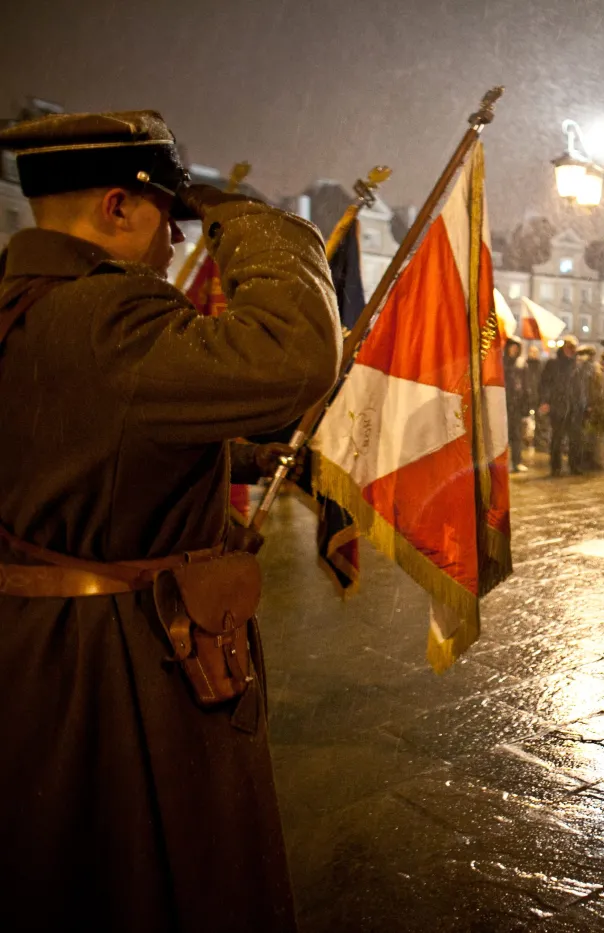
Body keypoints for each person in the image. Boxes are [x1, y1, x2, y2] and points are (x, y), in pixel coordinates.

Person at [0, 110, 340, 931]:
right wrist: (245, 217)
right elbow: (297, 353)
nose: (176, 243)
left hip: (34, 649)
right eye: (171, 215)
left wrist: (241, 459)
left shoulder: (21, 306)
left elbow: (83, 447)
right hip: (121, 666)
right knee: (165, 873)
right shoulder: (108, 314)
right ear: (117, 206)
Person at [537, 335, 584, 476]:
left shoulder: (577, 365)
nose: (570, 351)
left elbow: (580, 386)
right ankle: (556, 467)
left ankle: (574, 465)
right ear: (563, 348)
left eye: (573, 348)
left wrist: (582, 402)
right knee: (557, 437)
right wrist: (545, 401)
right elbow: (545, 383)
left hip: (574, 406)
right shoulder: (553, 363)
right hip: (558, 405)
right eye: (568, 347)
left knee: (575, 438)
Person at [504, 337, 531, 472]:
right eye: (512, 347)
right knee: (502, 435)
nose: (514, 350)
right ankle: (502, 463)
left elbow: (526, 385)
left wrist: (526, 404)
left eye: (516, 348)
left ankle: (517, 461)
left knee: (516, 435)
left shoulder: (521, 364)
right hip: (503, 403)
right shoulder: (502, 362)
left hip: (516, 405)